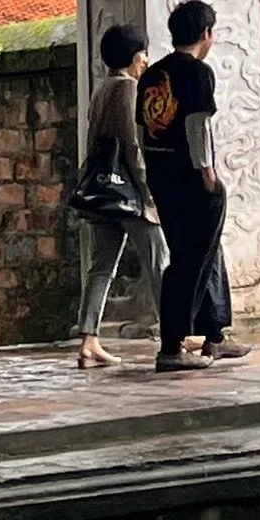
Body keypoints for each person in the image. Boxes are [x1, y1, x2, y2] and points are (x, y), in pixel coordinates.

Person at [137, 0, 252, 372]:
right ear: (206, 33)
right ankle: (171, 345)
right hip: (192, 179)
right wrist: (207, 172)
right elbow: (197, 125)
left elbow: (143, 130)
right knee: (189, 260)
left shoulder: (152, 75)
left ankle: (214, 334)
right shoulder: (197, 73)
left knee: (207, 251)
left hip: (162, 175)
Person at [74, 23, 162, 368]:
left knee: (101, 268)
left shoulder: (101, 89)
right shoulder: (128, 89)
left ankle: (89, 338)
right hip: (127, 193)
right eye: (144, 53)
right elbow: (131, 146)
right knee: (160, 260)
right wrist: (148, 196)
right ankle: (178, 332)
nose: (146, 60)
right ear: (136, 55)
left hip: (102, 191)